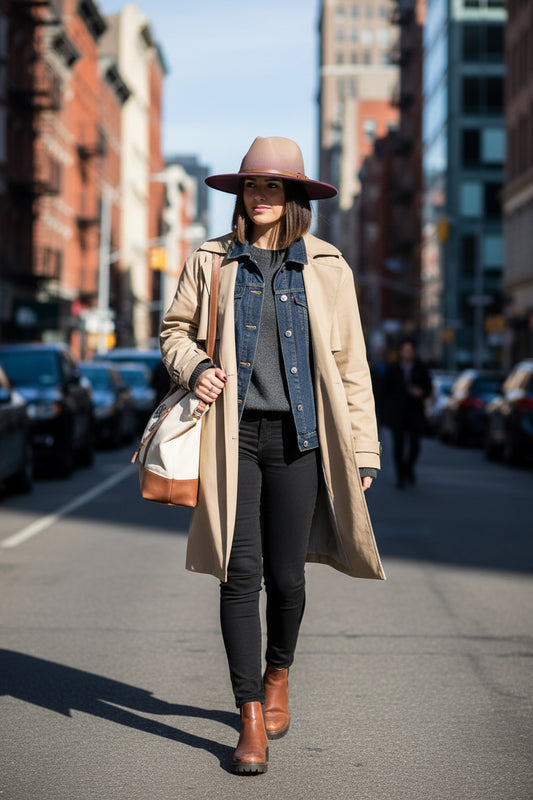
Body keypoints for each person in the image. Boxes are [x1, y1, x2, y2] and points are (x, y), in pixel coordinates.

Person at [160, 137, 385, 775]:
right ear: (241, 195)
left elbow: (350, 364)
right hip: (232, 436)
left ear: (292, 197)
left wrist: (363, 448)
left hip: (302, 439)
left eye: (272, 187)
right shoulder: (212, 259)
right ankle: (250, 711)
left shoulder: (326, 265)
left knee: (288, 578)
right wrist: (195, 365)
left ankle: (278, 669)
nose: (259, 197)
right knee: (240, 574)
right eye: (251, 187)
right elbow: (173, 329)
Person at [382, 338, 432, 488]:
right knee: (398, 445)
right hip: (397, 413)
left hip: (415, 413)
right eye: (405, 350)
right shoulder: (392, 368)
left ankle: (409, 467)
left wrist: (421, 392)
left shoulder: (421, 368)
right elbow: (384, 391)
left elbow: (428, 388)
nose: (407, 353)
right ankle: (401, 476)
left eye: (410, 350)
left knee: (415, 444)